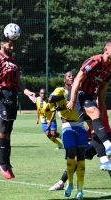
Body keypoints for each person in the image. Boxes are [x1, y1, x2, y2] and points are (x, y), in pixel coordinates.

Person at [0, 23, 36, 179]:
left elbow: (18, 82)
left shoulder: (14, 61)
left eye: (14, 44)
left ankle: (7, 162)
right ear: (2, 43)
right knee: (2, 127)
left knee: (9, 128)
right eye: (10, 43)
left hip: (12, 94)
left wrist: (28, 92)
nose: (12, 46)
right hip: (1, 94)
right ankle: (2, 163)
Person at [49, 93, 111, 191]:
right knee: (78, 160)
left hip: (102, 136)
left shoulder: (94, 102)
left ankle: (61, 183)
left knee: (108, 161)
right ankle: (61, 183)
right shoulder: (89, 101)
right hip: (92, 138)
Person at [66, 39, 111, 170]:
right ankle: (108, 145)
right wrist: (72, 100)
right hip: (79, 93)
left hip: (89, 96)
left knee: (94, 130)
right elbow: (78, 79)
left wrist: (101, 108)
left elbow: (103, 89)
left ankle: (103, 160)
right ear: (106, 50)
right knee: (95, 114)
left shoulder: (109, 68)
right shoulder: (95, 61)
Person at [48, 71, 88, 199]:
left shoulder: (79, 92)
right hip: (67, 127)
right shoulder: (60, 90)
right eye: (68, 76)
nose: (71, 78)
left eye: (73, 76)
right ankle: (69, 183)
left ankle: (80, 190)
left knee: (81, 157)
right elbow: (50, 99)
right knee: (71, 152)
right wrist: (67, 95)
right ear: (64, 80)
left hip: (80, 127)